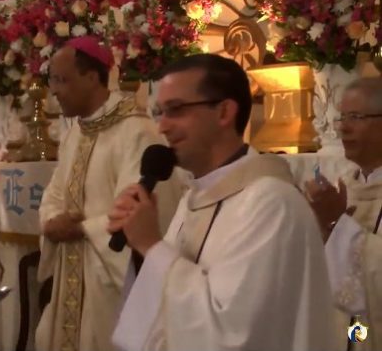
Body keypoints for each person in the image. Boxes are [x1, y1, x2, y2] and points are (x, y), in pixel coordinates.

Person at [108, 54, 338, 351]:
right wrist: (142, 250)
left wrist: (151, 246)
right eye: (159, 112)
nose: (162, 127)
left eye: (175, 110)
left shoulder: (270, 203)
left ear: (224, 112)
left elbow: (233, 331)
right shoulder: (196, 195)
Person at [35, 36, 182, 351]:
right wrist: (50, 222)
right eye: (52, 81)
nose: (55, 90)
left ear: (91, 77)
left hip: (111, 281)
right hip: (74, 275)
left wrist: (79, 228)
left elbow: (138, 208)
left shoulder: (136, 131)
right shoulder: (75, 132)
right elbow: (54, 194)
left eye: (62, 80)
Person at [305, 77, 382, 351]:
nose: (343, 129)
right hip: (350, 330)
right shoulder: (345, 183)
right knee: (353, 339)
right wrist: (319, 227)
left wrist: (337, 223)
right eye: (342, 117)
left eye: (356, 117)